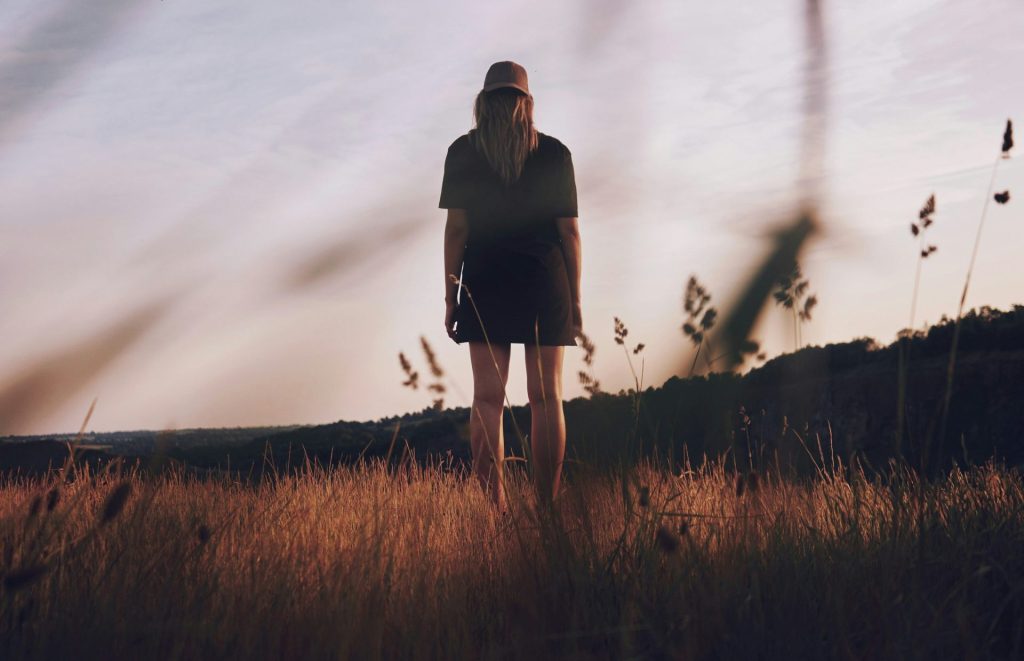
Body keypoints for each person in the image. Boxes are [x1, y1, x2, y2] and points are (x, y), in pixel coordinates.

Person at [438, 60, 582, 513]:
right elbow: (570, 234)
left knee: (486, 399)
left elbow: (456, 231)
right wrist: (575, 300)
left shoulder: (462, 151)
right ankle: (547, 509)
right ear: (527, 102)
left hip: (486, 279)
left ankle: (494, 513)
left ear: (484, 102)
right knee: (546, 398)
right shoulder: (555, 153)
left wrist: (451, 297)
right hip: (544, 280)